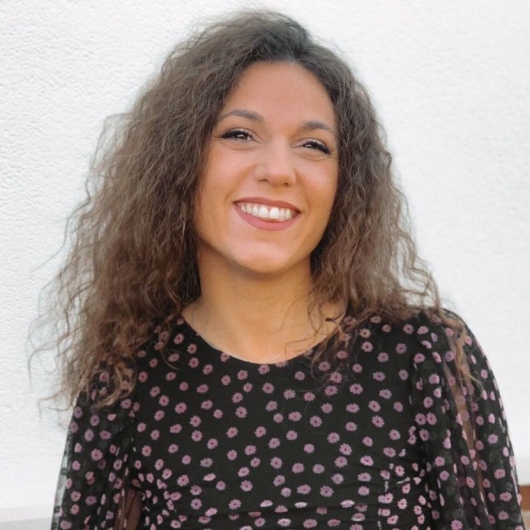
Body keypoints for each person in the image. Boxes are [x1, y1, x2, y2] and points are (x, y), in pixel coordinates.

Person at [48, 10, 525, 530]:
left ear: (346, 184)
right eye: (239, 134)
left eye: (313, 145)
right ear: (178, 162)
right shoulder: (127, 384)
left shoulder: (426, 356)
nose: (278, 170)